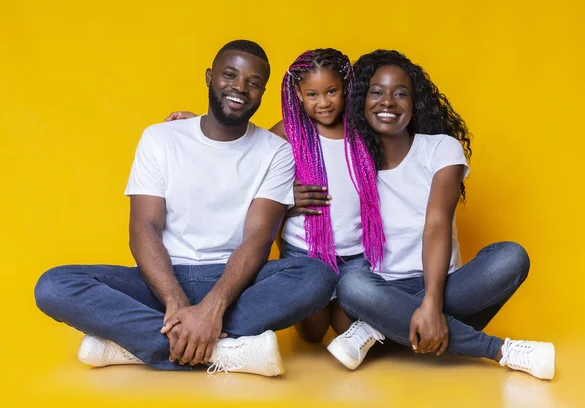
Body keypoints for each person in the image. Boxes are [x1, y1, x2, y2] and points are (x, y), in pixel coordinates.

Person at [34, 40, 337, 377]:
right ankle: (226, 351)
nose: (240, 87)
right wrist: (176, 304)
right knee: (54, 285)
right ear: (210, 77)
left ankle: (135, 346)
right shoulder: (161, 138)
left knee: (317, 276)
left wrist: (213, 308)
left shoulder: (275, 151)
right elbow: (143, 228)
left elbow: (258, 237)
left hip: (236, 282)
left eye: (253, 83)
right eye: (230, 75)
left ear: (262, 93)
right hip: (161, 278)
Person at [327, 49, 555, 380]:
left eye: (400, 93)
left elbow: (436, 225)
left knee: (511, 257)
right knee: (352, 284)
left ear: (414, 103)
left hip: (446, 286)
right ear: (361, 101)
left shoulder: (440, 148)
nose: (387, 102)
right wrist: (289, 195)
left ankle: (376, 330)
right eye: (376, 92)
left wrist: (432, 304)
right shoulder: (353, 160)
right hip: (382, 289)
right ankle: (500, 350)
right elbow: (293, 133)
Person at [166, 48, 385, 343]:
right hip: (305, 252)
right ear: (298, 93)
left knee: (346, 330)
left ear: (346, 87)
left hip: (356, 254)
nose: (323, 103)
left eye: (331, 91)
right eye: (312, 94)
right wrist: (197, 122)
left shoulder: (362, 134)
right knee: (312, 334)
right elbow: (242, 154)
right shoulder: (288, 132)